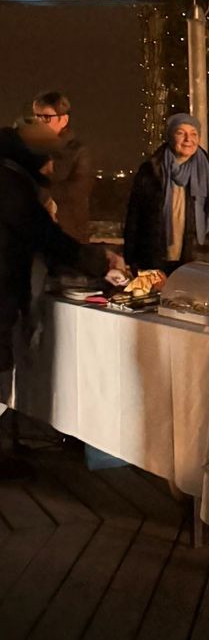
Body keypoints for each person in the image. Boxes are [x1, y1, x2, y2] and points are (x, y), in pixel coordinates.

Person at [0, 122, 120, 478]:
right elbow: (46, 237)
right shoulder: (13, 187)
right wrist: (103, 259)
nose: (53, 168)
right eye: (48, 159)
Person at [123, 113, 209, 273]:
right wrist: (130, 258)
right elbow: (134, 217)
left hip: (199, 260)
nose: (188, 139)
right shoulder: (150, 171)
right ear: (170, 136)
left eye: (194, 134)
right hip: (155, 260)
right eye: (181, 133)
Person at [31, 90, 94, 242]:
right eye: (36, 116)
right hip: (32, 235)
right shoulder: (29, 148)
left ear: (63, 120)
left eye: (46, 117)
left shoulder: (78, 151)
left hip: (67, 235)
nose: (39, 121)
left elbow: (78, 191)